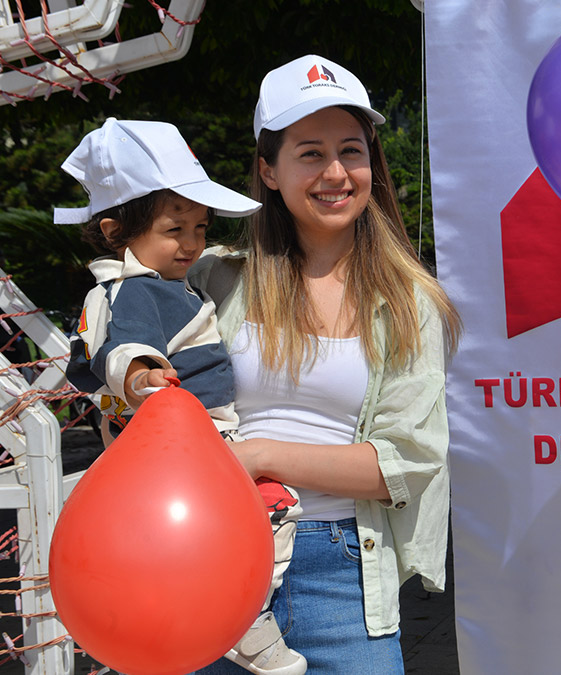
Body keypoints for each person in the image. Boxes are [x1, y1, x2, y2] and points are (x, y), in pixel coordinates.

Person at [188, 54, 461, 674]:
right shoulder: (214, 279)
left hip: (341, 573)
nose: (335, 172)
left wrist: (258, 455)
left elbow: (404, 462)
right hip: (210, 557)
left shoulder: (408, 300)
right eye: (310, 153)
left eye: (351, 150)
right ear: (269, 169)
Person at [59, 118, 308, 675]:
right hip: (191, 440)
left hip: (179, 442)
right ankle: (244, 618)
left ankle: (222, 610)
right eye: (176, 229)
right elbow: (126, 348)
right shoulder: (136, 291)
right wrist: (143, 378)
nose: (192, 243)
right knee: (276, 506)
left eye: (200, 227)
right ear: (115, 231)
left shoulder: (157, 283)